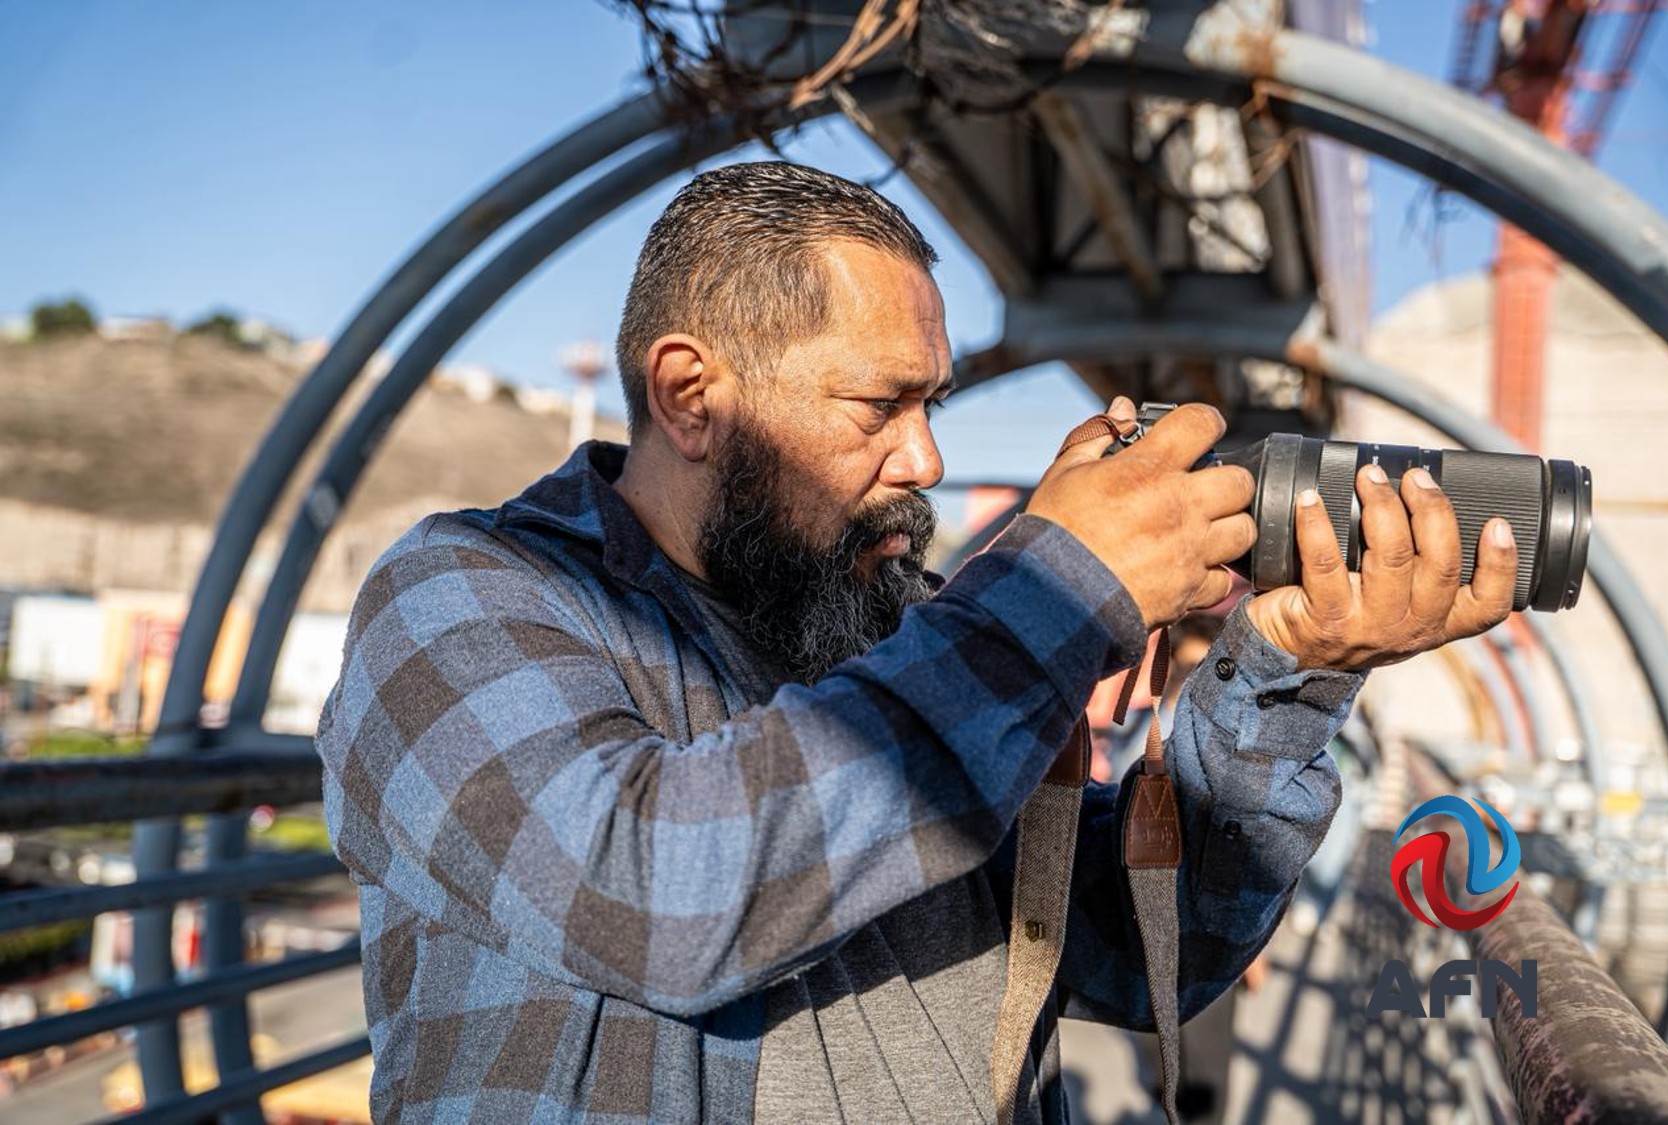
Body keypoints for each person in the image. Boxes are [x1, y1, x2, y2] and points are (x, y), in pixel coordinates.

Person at [315, 161, 1517, 1123]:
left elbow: (1148, 945)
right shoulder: (463, 599)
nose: (927, 459)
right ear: (690, 395)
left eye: (931, 403)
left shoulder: (878, 621)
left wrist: (1289, 671)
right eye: (878, 405)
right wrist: (1061, 588)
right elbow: (659, 896)